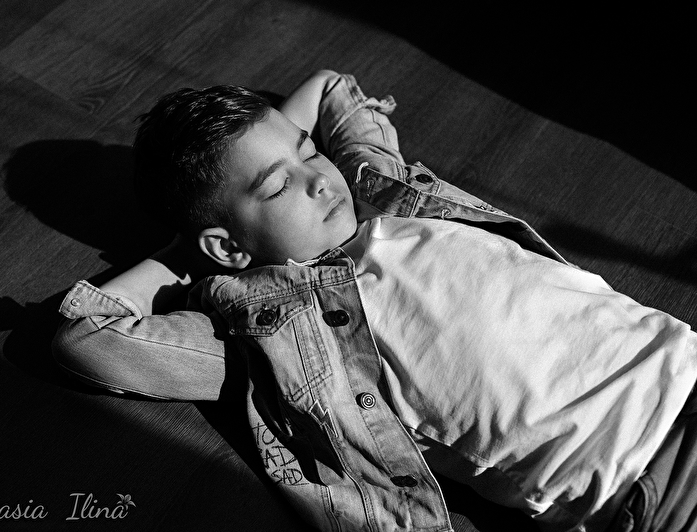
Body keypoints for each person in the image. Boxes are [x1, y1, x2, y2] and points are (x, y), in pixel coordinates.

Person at [51, 70, 697, 532]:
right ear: (225, 248)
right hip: (641, 481)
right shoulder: (283, 335)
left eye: (309, 152)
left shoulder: (382, 192)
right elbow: (89, 337)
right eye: (278, 187)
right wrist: (189, 255)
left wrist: (272, 163)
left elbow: (332, 87)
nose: (317, 179)